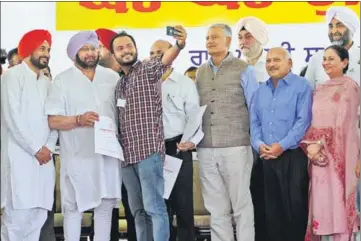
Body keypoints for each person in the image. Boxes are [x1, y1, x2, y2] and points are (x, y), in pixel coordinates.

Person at [111, 26, 187, 241]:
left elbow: (167, 59)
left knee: (155, 208)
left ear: (135, 48)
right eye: (120, 48)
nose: (125, 50)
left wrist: (179, 44)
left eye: (129, 45)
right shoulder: (119, 84)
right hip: (126, 158)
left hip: (148, 153)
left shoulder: (147, 69)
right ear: (115, 54)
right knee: (138, 211)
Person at [45, 31, 123, 241]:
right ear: (74, 53)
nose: (90, 53)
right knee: (73, 209)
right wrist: (78, 120)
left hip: (107, 156)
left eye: (93, 48)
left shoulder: (112, 77)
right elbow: (52, 120)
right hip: (77, 157)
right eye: (84, 49)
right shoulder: (62, 81)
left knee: (105, 210)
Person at [196, 23, 258, 241]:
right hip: (205, 149)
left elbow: (254, 107)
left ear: (228, 41)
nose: (210, 41)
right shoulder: (201, 71)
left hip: (236, 146)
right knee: (216, 208)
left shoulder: (244, 68)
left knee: (241, 205)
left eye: (214, 37)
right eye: (207, 37)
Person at [250, 47, 312, 241]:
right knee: (269, 210)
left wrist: (281, 146)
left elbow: (303, 121)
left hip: (293, 156)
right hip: (266, 157)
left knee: (294, 208)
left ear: (290, 63)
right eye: (268, 60)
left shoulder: (302, 86)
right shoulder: (260, 90)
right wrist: (259, 144)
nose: (271, 64)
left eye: (277, 60)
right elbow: (254, 123)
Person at [1, 29, 57, 241]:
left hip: (44, 160)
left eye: (49, 49)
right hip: (20, 158)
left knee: (38, 217)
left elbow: (54, 117)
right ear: (28, 49)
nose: (47, 53)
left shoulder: (46, 81)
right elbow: (12, 118)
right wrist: (36, 148)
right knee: (16, 221)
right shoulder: (12, 77)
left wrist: (49, 147)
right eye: (42, 48)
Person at [301, 45, 360, 241]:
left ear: (344, 63)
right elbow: (313, 120)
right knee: (322, 203)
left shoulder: (350, 87)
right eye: (324, 58)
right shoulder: (318, 89)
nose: (325, 62)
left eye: (331, 59)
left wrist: (320, 142)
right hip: (319, 157)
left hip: (341, 154)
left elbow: (345, 123)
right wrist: (311, 145)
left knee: (339, 201)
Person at [150, 39, 203, 241]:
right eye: (152, 52)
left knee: (183, 206)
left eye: (160, 52)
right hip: (151, 150)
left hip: (178, 147)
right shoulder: (143, 82)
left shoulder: (184, 83)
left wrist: (192, 141)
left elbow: (195, 117)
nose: (156, 56)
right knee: (160, 208)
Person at [95, 27, 136, 241]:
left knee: (133, 205)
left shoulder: (130, 76)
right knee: (103, 204)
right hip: (104, 153)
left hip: (130, 152)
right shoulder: (91, 78)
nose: (96, 51)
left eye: (100, 46)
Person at [305, 6, 360, 88]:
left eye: (339, 25)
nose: (334, 31)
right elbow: (306, 93)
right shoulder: (317, 58)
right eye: (331, 26)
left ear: (351, 29)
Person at [236, 16, 269, 83]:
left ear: (260, 38)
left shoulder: (275, 65)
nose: (243, 42)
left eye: (248, 37)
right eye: (240, 37)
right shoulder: (233, 67)